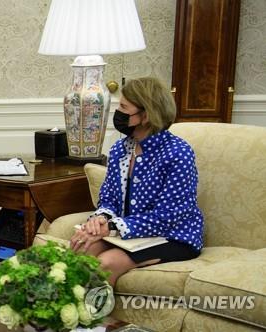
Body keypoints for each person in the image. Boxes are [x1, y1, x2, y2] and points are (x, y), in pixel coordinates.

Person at [70, 77, 203, 286]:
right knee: (82, 247)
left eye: (124, 107)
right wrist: (101, 220)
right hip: (132, 234)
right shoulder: (120, 149)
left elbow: (166, 217)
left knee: (106, 262)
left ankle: (96, 317)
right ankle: (64, 314)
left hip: (173, 236)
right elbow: (109, 197)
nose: (118, 113)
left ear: (146, 115)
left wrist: (112, 227)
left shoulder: (178, 154)